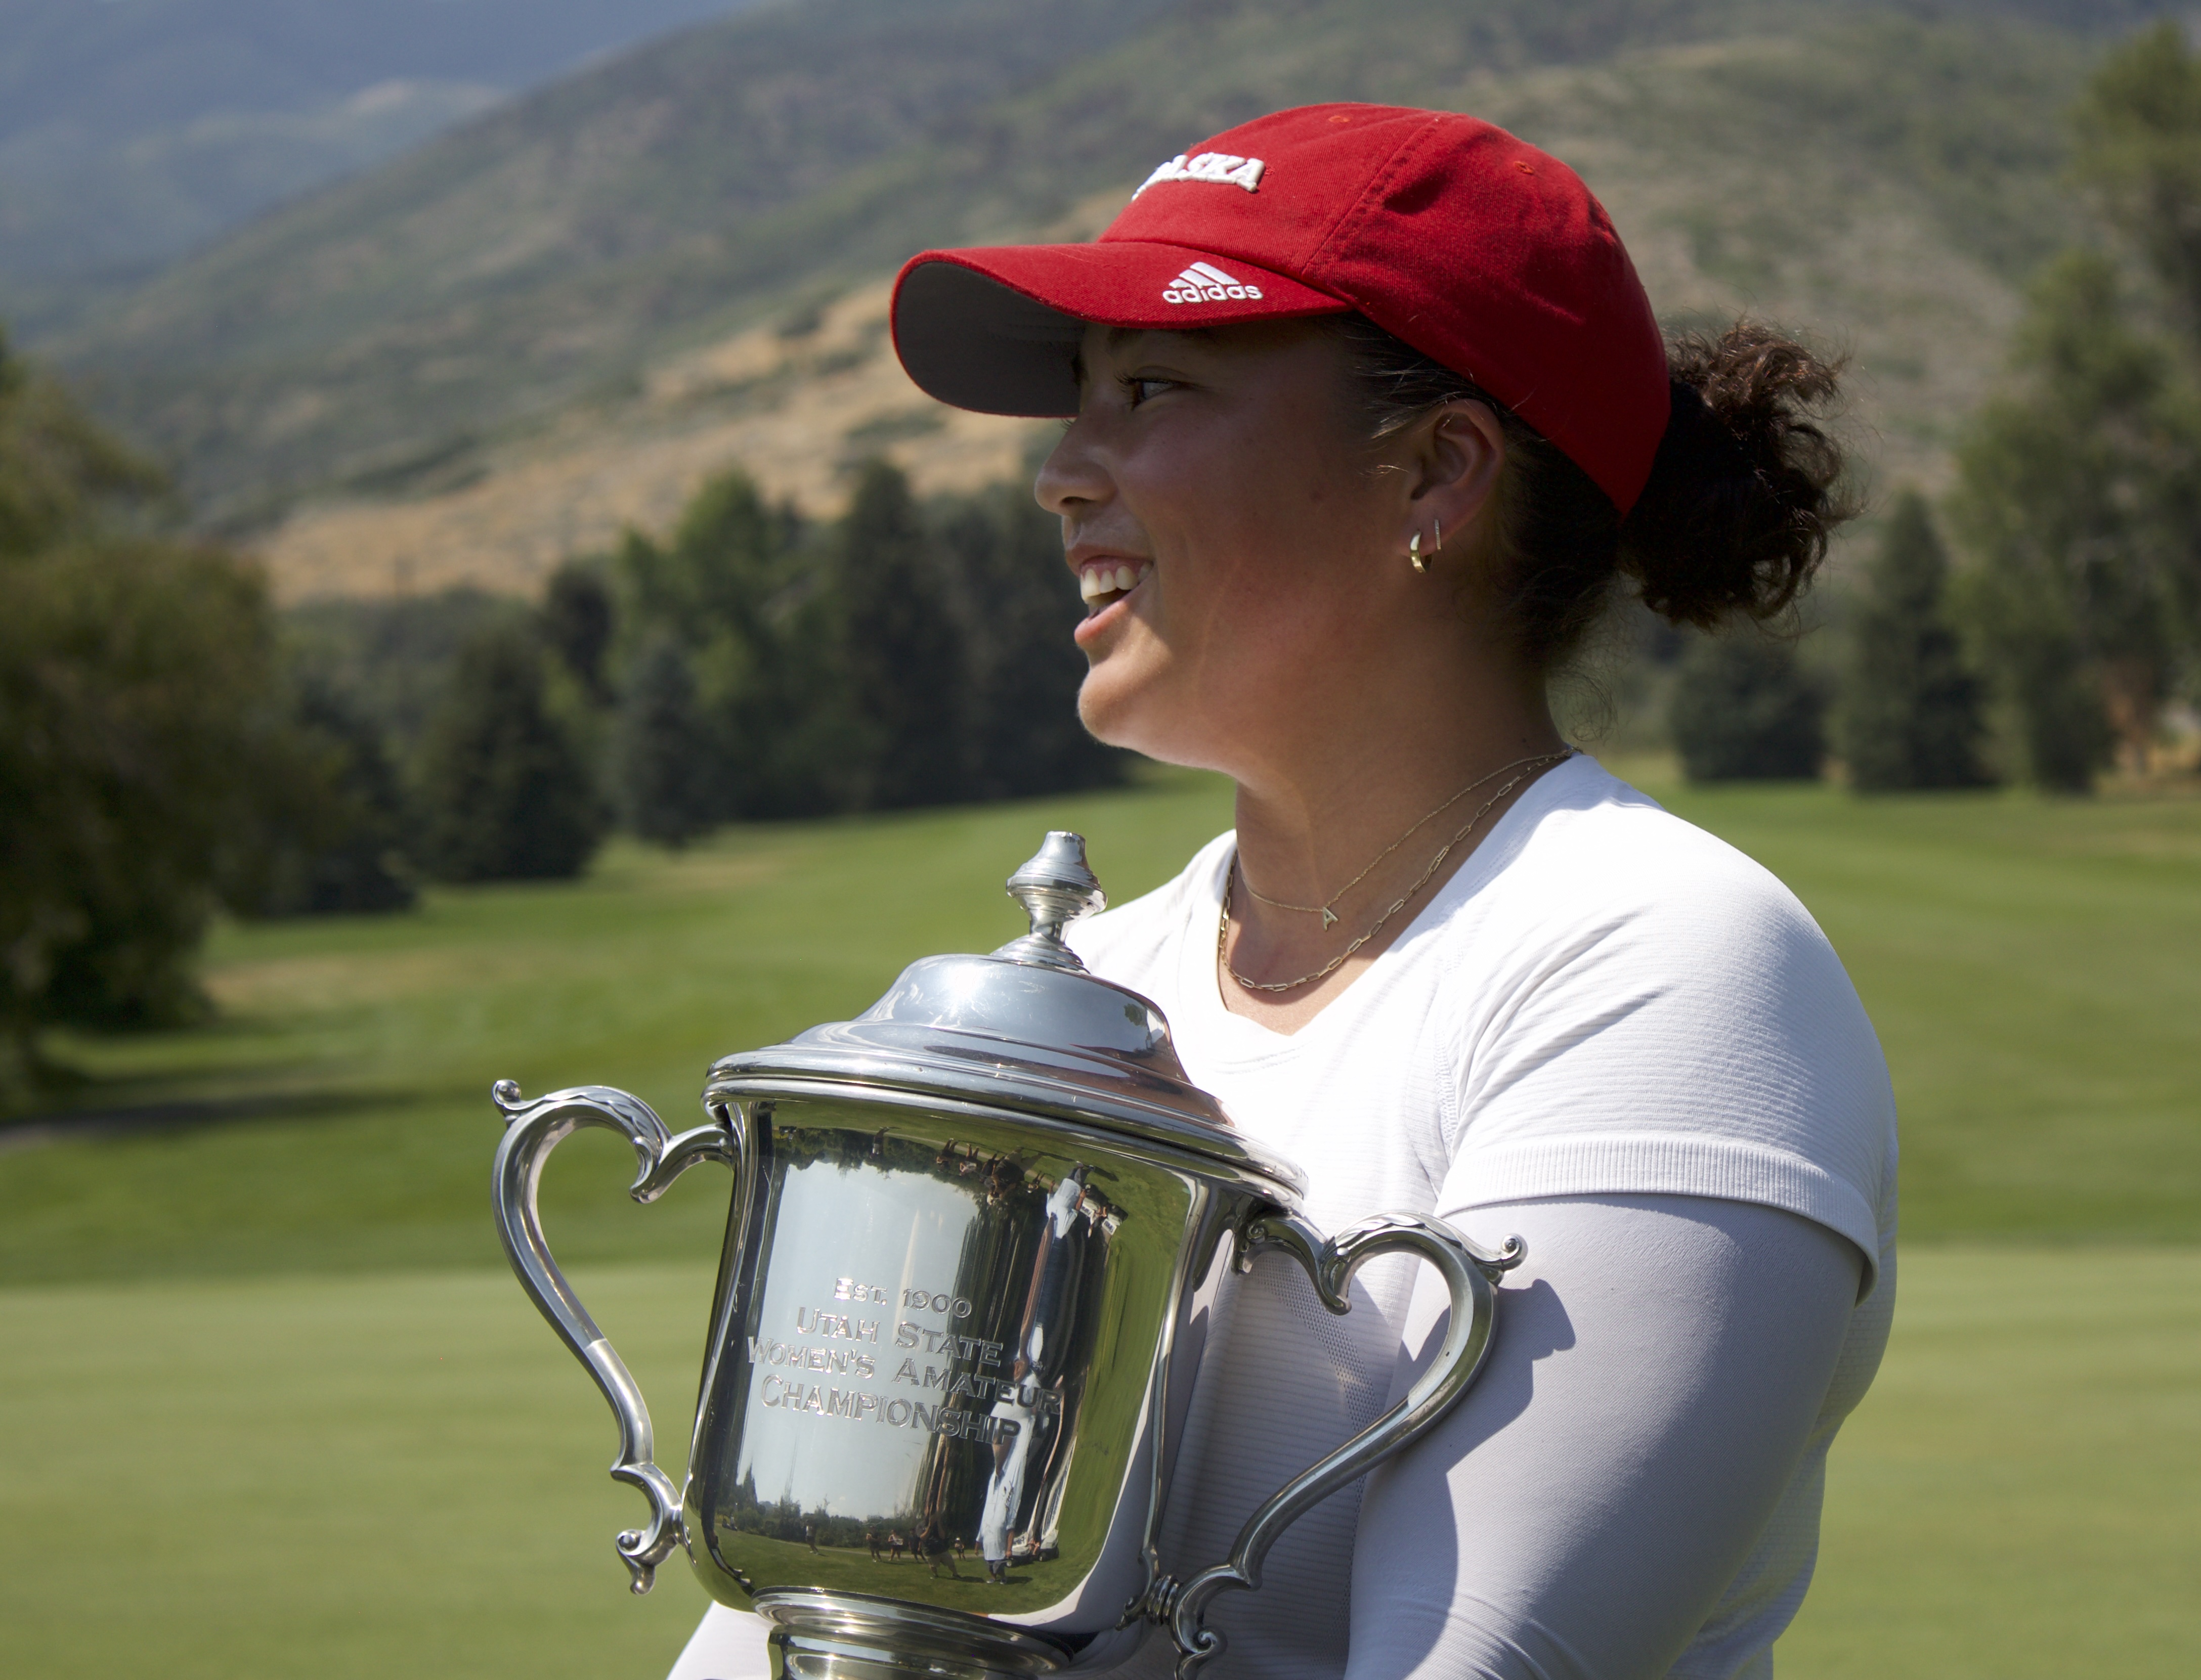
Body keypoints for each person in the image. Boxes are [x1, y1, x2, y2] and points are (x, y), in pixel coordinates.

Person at [669, 103, 1895, 1680]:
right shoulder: (1082, 993)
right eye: (1076, 401)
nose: (1062, 475)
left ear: (1438, 474)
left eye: (1154, 388)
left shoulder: (1662, 967)